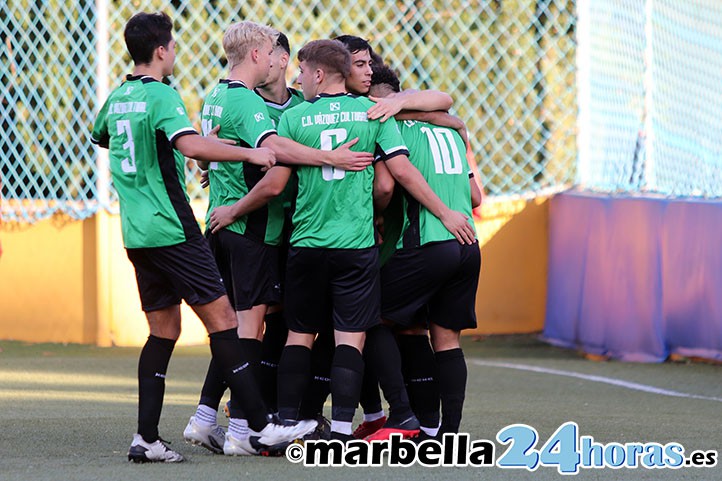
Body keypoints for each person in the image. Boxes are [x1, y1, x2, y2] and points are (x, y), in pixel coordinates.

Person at [210, 39, 474, 441]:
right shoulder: (371, 114)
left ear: (317, 74)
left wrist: (225, 179)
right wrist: (397, 213)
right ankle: (341, 428)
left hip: (306, 242)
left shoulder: (294, 116)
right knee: (352, 334)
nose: (297, 77)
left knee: (299, 333)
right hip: (356, 242)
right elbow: (395, 175)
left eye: (301, 71)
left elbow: (277, 181)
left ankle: (282, 422)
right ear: (345, 70)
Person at [90, 12, 316, 463]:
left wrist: (188, 146)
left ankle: (147, 439)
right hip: (174, 228)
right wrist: (247, 151)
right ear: (160, 51)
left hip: (136, 231)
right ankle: (259, 426)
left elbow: (101, 137)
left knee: (164, 331)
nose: (174, 52)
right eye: (171, 45)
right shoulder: (163, 95)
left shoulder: (118, 96)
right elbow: (191, 147)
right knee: (226, 322)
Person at [183, 22, 372, 456]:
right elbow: (275, 156)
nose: (275, 59)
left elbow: (209, 148)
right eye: (271, 51)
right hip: (252, 228)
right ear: (257, 55)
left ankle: (208, 416)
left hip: (228, 225)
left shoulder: (216, 94)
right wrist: (330, 157)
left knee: (232, 327)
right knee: (249, 330)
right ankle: (243, 429)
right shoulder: (248, 102)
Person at [370, 64, 482, 438]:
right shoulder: (448, 128)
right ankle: (446, 434)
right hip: (468, 244)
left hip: (429, 241)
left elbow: (386, 185)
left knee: (369, 317)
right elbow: (477, 195)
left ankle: (400, 416)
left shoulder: (391, 128)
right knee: (445, 339)